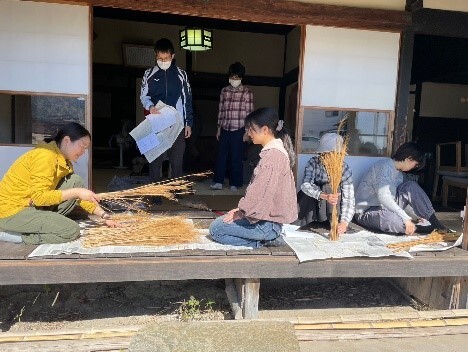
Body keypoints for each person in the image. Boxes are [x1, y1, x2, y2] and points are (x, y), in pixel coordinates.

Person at [0, 122, 119, 245]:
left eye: (86, 148)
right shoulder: (45, 156)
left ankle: (42, 224)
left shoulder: (63, 161)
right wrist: (77, 192)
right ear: (67, 140)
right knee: (71, 230)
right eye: (82, 146)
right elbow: (39, 198)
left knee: (75, 181)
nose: (83, 151)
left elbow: (78, 196)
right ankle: (15, 236)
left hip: (32, 206)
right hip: (12, 211)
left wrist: (103, 215)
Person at [209, 108, 297, 248]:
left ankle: (263, 240)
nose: (248, 133)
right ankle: (265, 238)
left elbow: (261, 194)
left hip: (267, 224)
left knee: (216, 230)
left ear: (265, 130)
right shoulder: (273, 152)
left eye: (251, 129)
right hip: (267, 220)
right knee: (223, 221)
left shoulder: (273, 156)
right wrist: (240, 211)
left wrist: (241, 213)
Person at [354, 142, 447, 235]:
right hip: (367, 211)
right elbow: (384, 197)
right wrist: (406, 218)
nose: (414, 167)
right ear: (409, 159)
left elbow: (404, 200)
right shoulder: (384, 166)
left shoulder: (400, 174)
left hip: (387, 209)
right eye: (416, 165)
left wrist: (416, 216)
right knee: (391, 219)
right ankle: (420, 229)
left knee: (411, 186)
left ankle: (435, 223)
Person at [140, 38, 193, 182]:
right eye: (160, 58)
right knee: (155, 160)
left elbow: (187, 100)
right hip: (156, 123)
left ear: (173, 56)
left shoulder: (181, 75)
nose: (163, 61)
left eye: (166, 58)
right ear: (155, 56)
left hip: (177, 124)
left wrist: (188, 124)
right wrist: (150, 106)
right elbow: (143, 97)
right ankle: (156, 194)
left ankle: (176, 193)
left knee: (177, 161)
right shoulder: (148, 74)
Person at [295, 133, 355, 234]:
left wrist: (344, 222)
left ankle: (333, 223)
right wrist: (324, 195)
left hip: (331, 210)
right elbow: (305, 185)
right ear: (322, 154)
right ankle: (308, 223)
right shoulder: (313, 162)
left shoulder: (344, 168)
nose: (332, 158)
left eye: (336, 154)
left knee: (331, 187)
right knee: (312, 190)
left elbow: (349, 197)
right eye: (328, 154)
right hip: (313, 207)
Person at [211, 62, 254, 192]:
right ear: (229, 76)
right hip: (225, 127)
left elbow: (250, 113)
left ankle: (235, 183)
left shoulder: (247, 92)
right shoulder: (224, 91)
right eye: (232, 77)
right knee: (221, 156)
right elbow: (221, 110)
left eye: (237, 78)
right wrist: (218, 128)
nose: (234, 80)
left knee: (236, 157)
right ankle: (218, 181)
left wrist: (248, 132)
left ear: (241, 78)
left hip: (239, 129)